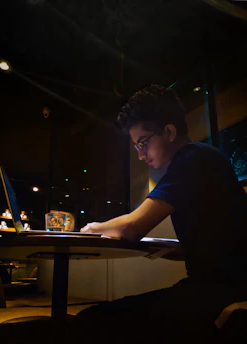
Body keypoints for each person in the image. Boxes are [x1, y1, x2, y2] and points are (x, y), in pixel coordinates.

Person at [67, 84, 247, 343]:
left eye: (143, 143)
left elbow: (132, 227)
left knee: (89, 320)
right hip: (222, 285)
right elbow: (216, 241)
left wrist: (91, 228)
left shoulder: (191, 159)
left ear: (170, 132)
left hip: (221, 291)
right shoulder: (204, 159)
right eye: (136, 147)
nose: (140, 155)